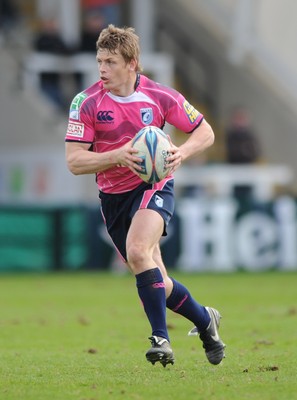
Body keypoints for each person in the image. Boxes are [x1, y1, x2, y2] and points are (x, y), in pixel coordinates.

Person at [65, 24, 226, 367]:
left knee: (138, 252)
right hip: (113, 197)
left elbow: (205, 131)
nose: (102, 69)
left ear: (132, 63)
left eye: (110, 62)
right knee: (157, 279)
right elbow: (75, 161)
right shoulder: (86, 102)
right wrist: (117, 155)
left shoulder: (160, 96)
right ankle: (205, 321)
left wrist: (181, 153)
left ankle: (161, 339)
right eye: (100, 61)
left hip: (154, 184)